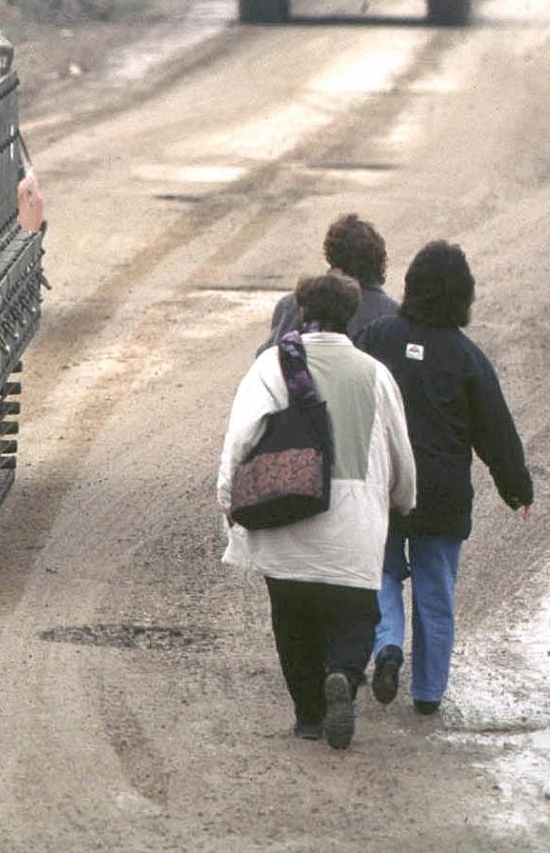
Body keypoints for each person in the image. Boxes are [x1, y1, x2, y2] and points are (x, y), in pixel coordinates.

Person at [219, 272, 417, 750]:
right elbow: (399, 450)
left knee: (292, 618)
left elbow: (239, 437)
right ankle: (343, 676)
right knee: (357, 614)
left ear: (302, 311)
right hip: (354, 519)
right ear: (351, 315)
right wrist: (405, 498)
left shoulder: (271, 365)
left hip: (285, 512)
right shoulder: (376, 374)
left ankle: (309, 716)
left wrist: (228, 498)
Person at [353, 241, 533, 719]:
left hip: (386, 486)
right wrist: (517, 488)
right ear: (463, 297)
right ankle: (428, 693)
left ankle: (388, 646)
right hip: (442, 495)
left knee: (382, 574)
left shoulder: (376, 338)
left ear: (411, 285)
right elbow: (496, 431)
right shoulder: (467, 358)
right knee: (435, 595)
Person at [263, 213, 399, 350]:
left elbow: (268, 355)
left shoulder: (293, 304)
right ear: (378, 261)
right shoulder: (394, 315)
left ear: (330, 256)